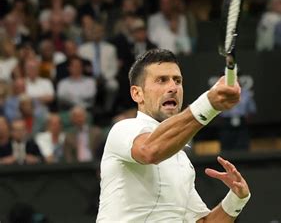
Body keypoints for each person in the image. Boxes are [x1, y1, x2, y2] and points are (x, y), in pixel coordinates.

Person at [97, 49, 250, 221]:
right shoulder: (123, 129)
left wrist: (237, 199)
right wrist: (208, 104)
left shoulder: (182, 162)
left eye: (177, 81)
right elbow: (150, 150)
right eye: (161, 80)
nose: (173, 88)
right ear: (137, 93)